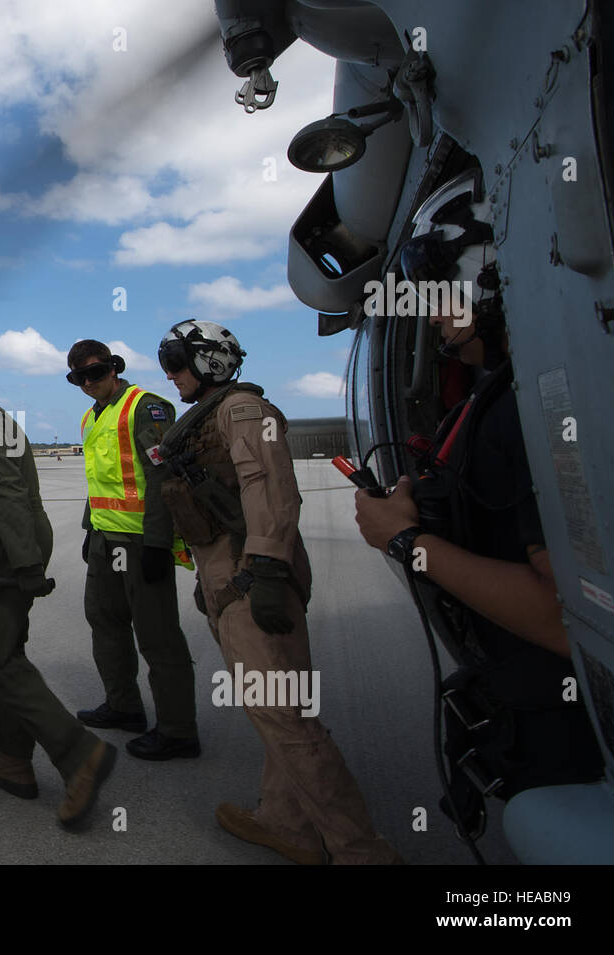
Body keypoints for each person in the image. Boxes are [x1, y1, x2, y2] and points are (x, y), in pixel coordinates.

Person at [353, 169, 603, 834]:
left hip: (565, 728)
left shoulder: (529, 404)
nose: (430, 308)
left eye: (440, 289)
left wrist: (407, 542)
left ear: (489, 276)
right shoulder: (495, 393)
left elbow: (568, 617)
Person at [155, 321, 400, 864]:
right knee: (271, 712)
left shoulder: (242, 412)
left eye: (175, 359)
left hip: (254, 576)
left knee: (287, 717)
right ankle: (285, 821)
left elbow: (270, 495)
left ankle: (361, 850)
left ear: (208, 361)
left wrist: (262, 576)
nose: (169, 373)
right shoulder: (212, 415)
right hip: (230, 574)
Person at [0, 354, 116, 831]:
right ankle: (11, 757)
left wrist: (25, 563)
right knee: (4, 649)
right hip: (16, 540)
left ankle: (79, 753)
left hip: (10, 546)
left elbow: (5, 492)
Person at [67, 339, 201, 760]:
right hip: (107, 540)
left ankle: (178, 730)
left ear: (114, 368)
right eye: (79, 378)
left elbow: (161, 478)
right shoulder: (91, 417)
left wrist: (160, 544)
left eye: (95, 372)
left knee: (158, 636)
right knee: (103, 621)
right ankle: (124, 706)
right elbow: (100, 480)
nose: (89, 383)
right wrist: (91, 530)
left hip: (143, 541)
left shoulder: (147, 407)